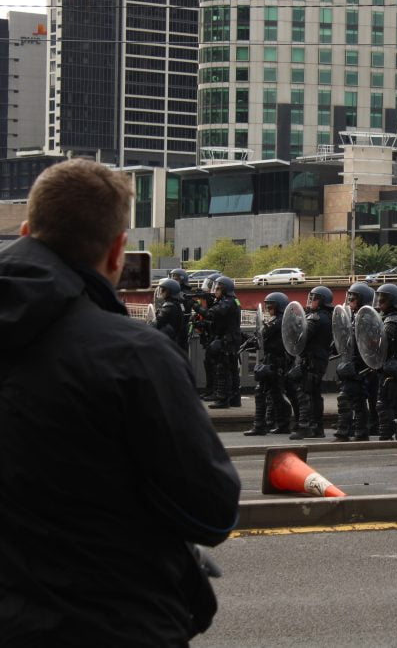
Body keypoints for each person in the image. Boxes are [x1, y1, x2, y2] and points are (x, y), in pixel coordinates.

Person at [0, 159, 239, 642]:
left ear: (27, 231)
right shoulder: (134, 356)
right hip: (114, 621)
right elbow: (212, 511)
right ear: (116, 251)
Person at [244, 291, 293, 436]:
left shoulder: (279, 321)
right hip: (274, 361)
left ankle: (260, 426)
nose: (269, 309)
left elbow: (264, 334)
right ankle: (282, 424)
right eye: (268, 306)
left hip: (276, 362)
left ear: (280, 306)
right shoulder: (280, 320)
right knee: (274, 393)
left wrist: (255, 337)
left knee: (263, 392)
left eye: (271, 306)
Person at [290, 285, 333, 440]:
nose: (311, 301)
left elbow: (302, 336)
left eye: (314, 298)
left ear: (321, 301)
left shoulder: (315, 318)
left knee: (305, 393)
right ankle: (317, 428)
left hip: (312, 360)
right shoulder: (327, 316)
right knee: (314, 394)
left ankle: (304, 426)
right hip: (318, 360)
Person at [335, 282, 376, 441]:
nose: (350, 299)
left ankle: (343, 432)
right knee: (358, 401)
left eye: (354, 297)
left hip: (361, 366)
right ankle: (361, 432)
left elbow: (370, 344)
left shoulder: (367, 318)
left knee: (345, 398)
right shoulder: (354, 317)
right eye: (349, 296)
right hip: (353, 364)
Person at [374, 284, 397, 441]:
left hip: (393, 366)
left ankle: (388, 434)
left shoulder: (394, 320)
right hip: (390, 365)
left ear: (392, 301)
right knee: (393, 402)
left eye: (383, 299)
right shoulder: (389, 318)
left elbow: (383, 342)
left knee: (386, 402)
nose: (380, 302)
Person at [200, 276, 242, 409]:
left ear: (225, 290)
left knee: (223, 370)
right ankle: (235, 399)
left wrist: (195, 306)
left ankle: (223, 400)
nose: (215, 291)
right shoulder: (232, 300)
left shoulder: (227, 302)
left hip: (227, 341)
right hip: (231, 339)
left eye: (218, 288)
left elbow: (211, 314)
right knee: (232, 370)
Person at [154, 277, 188, 351]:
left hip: (168, 343)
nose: (161, 292)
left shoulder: (168, 306)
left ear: (169, 292)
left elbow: (156, 323)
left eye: (163, 290)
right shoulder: (177, 304)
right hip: (176, 343)